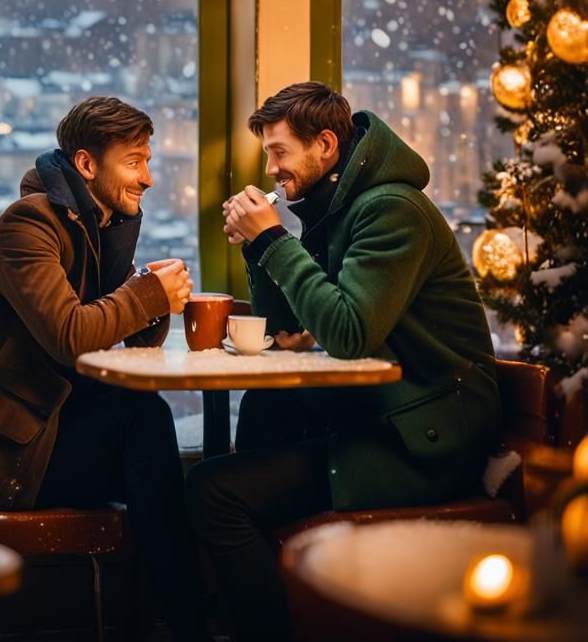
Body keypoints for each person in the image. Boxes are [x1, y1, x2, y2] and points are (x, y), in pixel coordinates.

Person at [186, 82, 502, 642]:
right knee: (266, 408)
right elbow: (287, 331)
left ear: (326, 144)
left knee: (212, 495)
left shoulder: (391, 210)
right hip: (389, 410)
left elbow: (350, 332)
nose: (271, 167)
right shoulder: (342, 205)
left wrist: (275, 238)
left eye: (279, 151)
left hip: (429, 435)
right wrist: (258, 247)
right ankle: (299, 593)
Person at [0, 95, 211, 641]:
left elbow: (106, 336)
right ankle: (187, 623)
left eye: (148, 160)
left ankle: (171, 619)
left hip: (57, 427)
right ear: (87, 165)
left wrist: (150, 297)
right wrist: (144, 295)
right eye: (135, 161)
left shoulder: (96, 229)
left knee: (171, 452)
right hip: (10, 450)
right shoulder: (29, 225)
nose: (149, 178)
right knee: (146, 424)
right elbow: (71, 336)